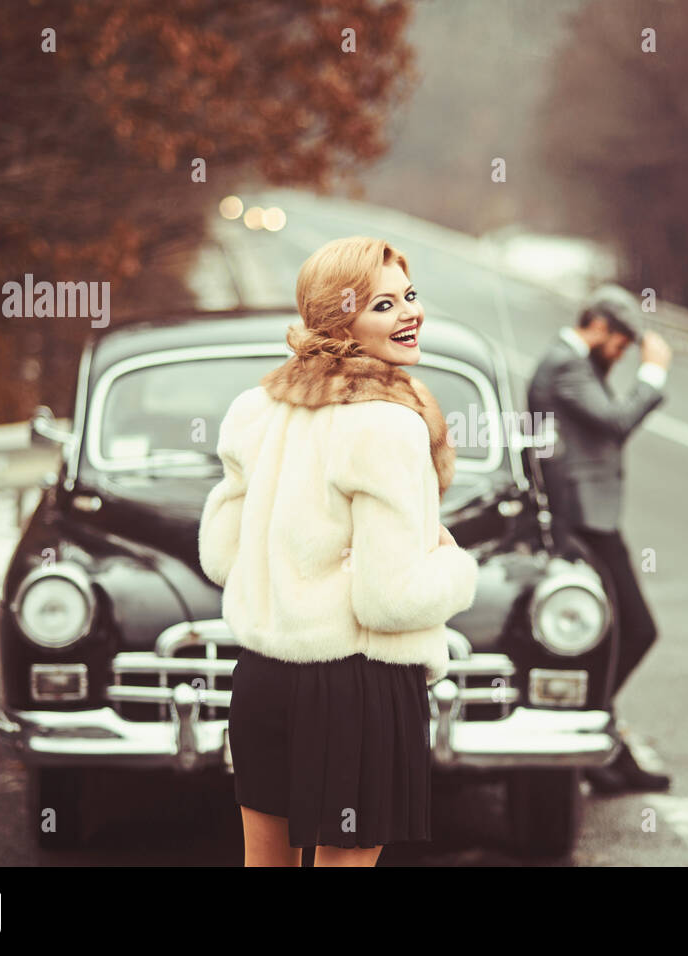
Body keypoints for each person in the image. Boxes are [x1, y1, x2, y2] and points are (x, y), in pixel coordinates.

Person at [198, 236, 478, 866]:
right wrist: (455, 567)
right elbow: (390, 599)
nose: (409, 313)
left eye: (408, 296)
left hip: (264, 679)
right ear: (338, 317)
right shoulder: (387, 423)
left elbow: (221, 555)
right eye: (383, 304)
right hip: (358, 683)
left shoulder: (256, 408)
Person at [526, 283, 673, 794]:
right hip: (581, 524)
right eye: (621, 345)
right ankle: (594, 737)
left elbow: (601, 429)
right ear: (602, 327)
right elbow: (616, 421)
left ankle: (605, 746)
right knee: (634, 630)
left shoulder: (571, 362)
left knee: (615, 635)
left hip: (590, 519)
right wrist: (654, 372)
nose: (623, 357)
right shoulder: (566, 364)